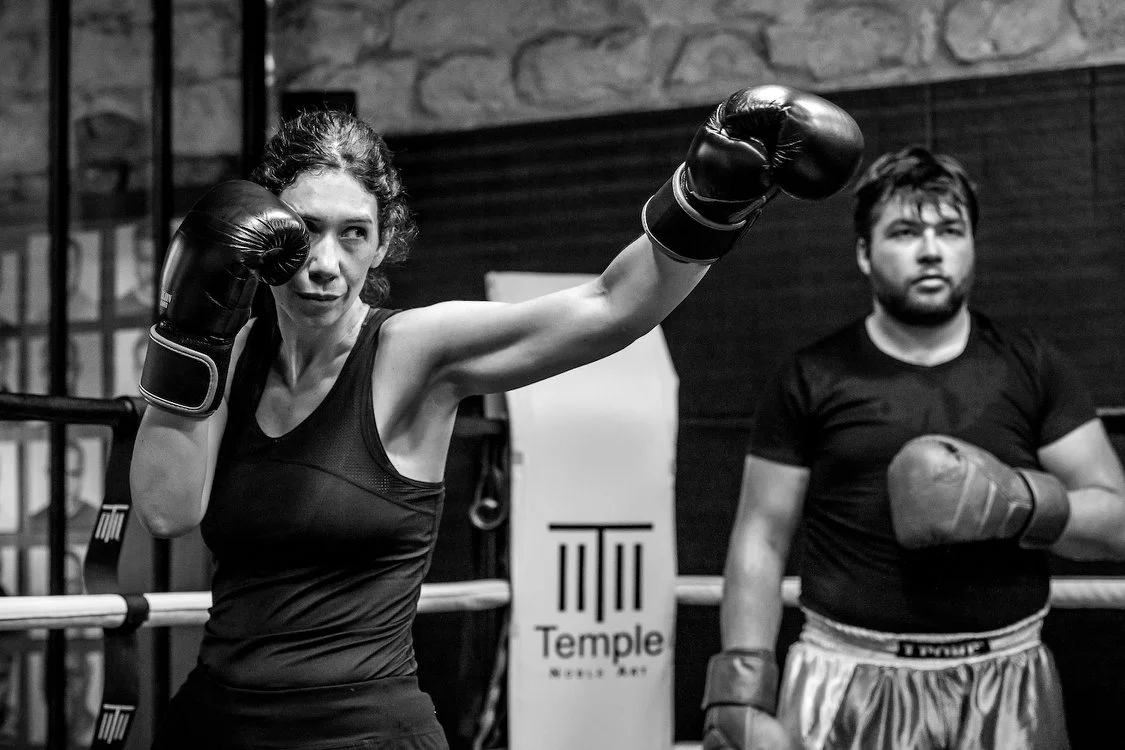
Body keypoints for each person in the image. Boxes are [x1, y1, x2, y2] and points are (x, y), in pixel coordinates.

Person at [128, 87, 864, 749]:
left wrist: (708, 196)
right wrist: (191, 329)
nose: (325, 262)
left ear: (382, 241)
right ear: (270, 234)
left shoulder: (415, 351)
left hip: (360, 731)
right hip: (214, 722)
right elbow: (165, 510)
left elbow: (609, 307)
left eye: (353, 233)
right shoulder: (232, 349)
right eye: (306, 230)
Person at [702, 145, 1125, 750]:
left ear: (972, 245)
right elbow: (761, 536)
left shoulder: (1033, 368)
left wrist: (1017, 501)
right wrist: (737, 690)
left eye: (950, 230)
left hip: (1005, 684)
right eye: (904, 231)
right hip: (846, 679)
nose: (931, 249)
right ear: (863, 253)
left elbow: (1117, 521)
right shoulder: (814, 376)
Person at [27, 438, 100, 537]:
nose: (67, 482)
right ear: (48, 474)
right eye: (60, 474)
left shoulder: (97, 518)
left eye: (74, 474)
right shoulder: (34, 524)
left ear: (82, 475)